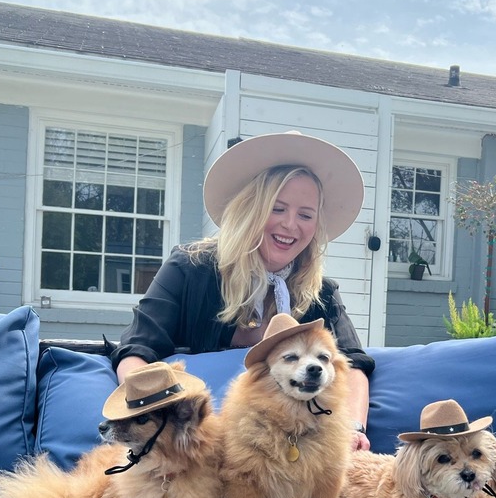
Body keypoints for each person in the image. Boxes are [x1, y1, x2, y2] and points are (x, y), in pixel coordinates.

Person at [111, 130, 374, 450]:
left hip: (280, 449)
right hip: (194, 442)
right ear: (250, 209)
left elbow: (354, 365)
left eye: (306, 214)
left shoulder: (323, 295)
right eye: (277, 208)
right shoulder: (189, 269)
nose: (291, 225)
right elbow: (136, 354)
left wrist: (353, 427)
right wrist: (165, 420)